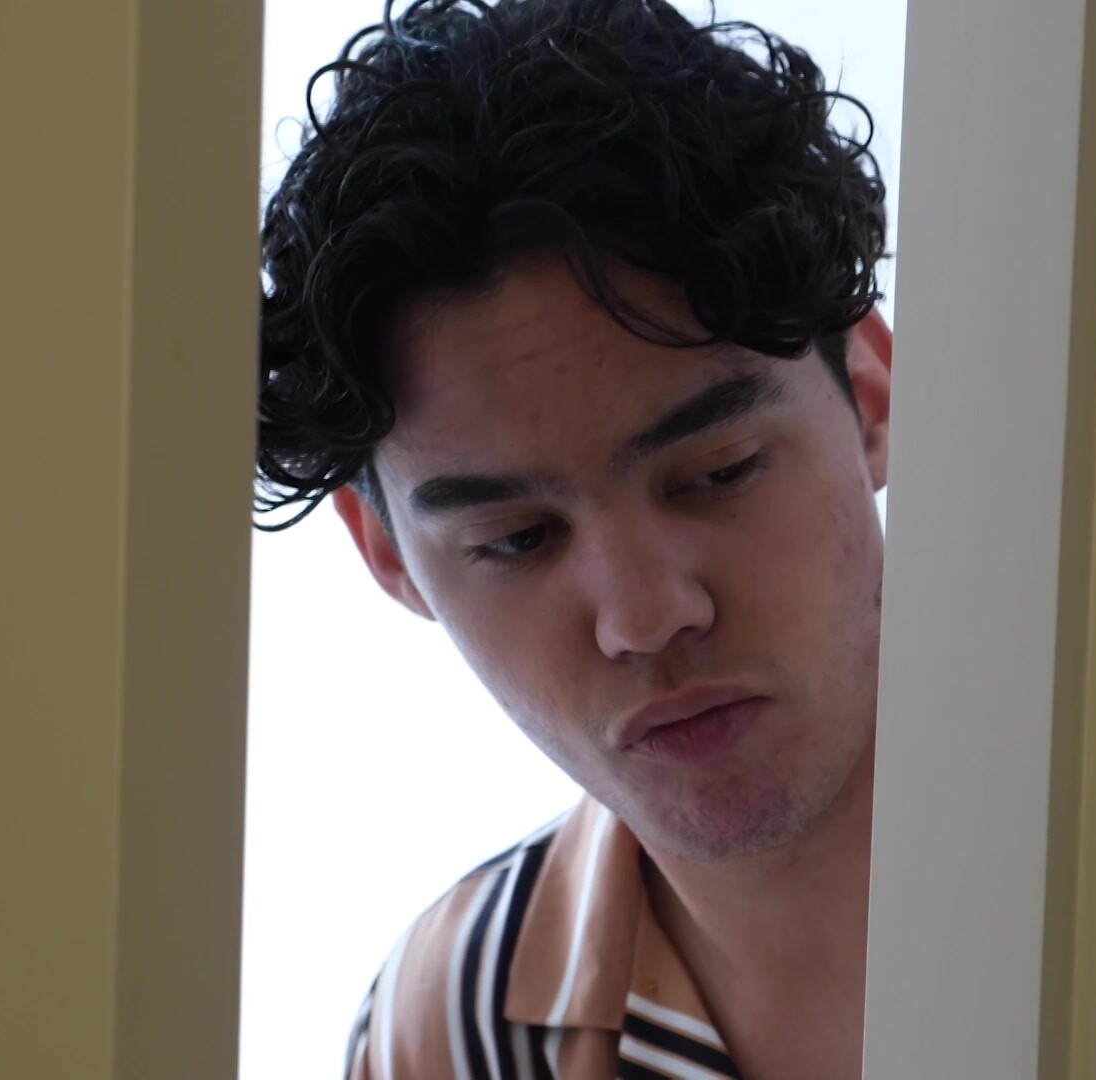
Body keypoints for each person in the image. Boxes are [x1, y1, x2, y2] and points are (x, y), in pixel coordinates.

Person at [257, 0, 891, 1075]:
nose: (644, 617)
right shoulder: (448, 1033)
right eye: (516, 539)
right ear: (389, 556)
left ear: (869, 393)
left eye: (718, 473)